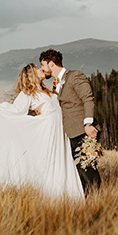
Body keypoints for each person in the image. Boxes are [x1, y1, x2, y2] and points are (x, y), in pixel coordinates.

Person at [0, 64, 84, 199]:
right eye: (38, 69)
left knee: (62, 161)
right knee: (49, 162)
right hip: (47, 130)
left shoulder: (49, 91)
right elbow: (16, 110)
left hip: (60, 129)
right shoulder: (28, 92)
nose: (42, 69)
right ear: (32, 75)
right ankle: (52, 196)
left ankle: (66, 196)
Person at [39, 48, 102, 194]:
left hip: (83, 131)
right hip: (70, 135)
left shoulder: (75, 76)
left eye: (43, 65)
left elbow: (88, 98)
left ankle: (99, 202)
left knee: (88, 170)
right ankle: (87, 203)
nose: (43, 69)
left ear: (51, 64)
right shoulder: (56, 84)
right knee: (79, 174)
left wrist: (88, 124)